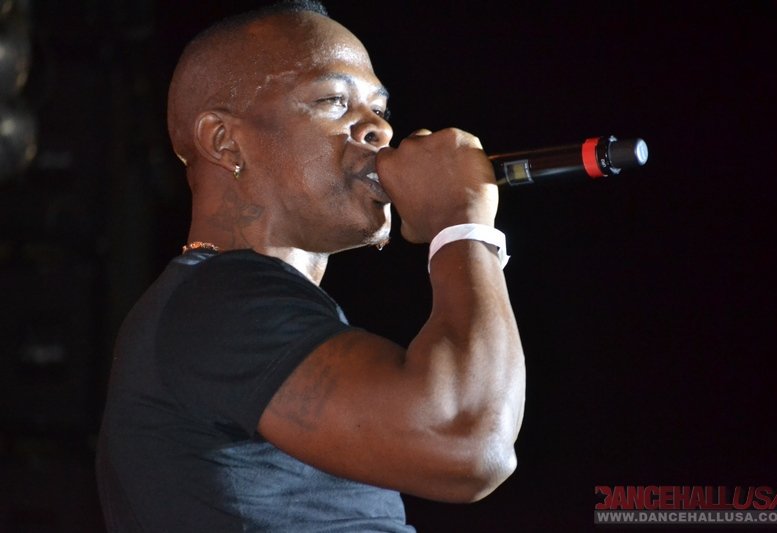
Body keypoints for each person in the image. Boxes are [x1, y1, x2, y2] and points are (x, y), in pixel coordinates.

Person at [96, 1, 526, 531]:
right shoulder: (221, 302)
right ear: (224, 141)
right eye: (334, 101)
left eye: (380, 109)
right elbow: (467, 441)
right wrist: (461, 224)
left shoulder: (239, 305)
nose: (379, 130)